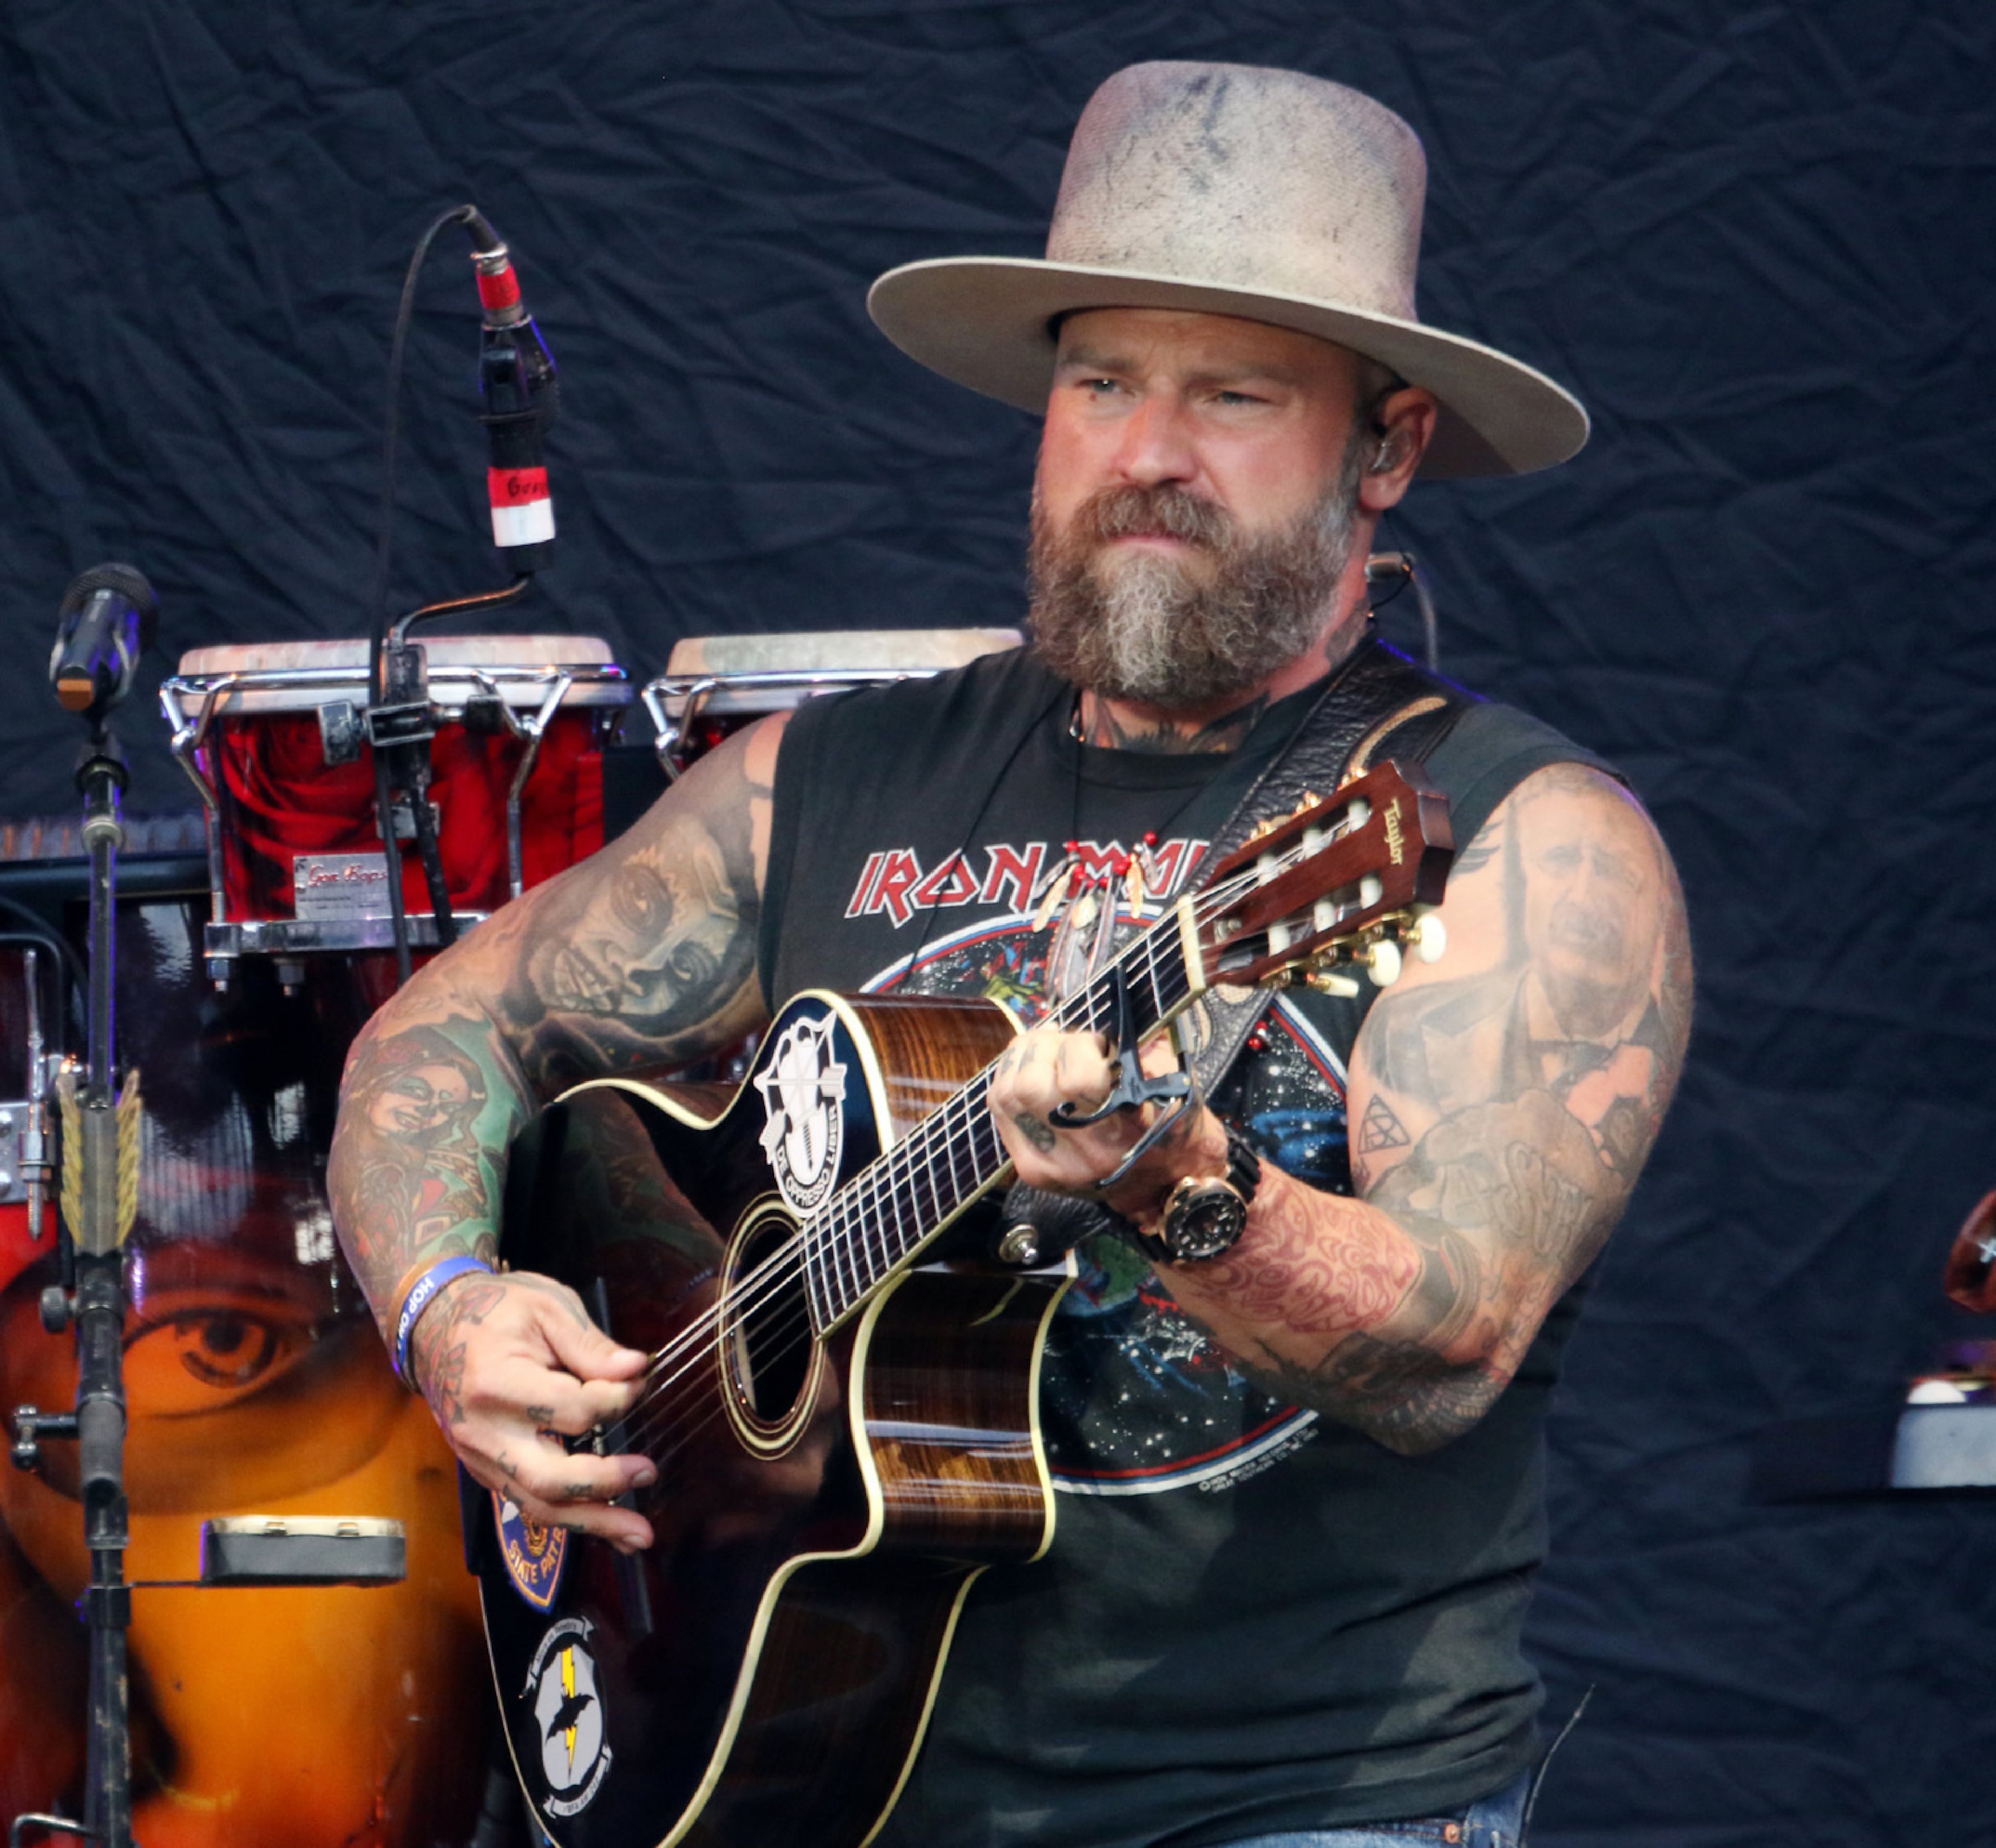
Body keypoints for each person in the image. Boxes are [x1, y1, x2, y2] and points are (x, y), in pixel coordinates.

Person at [329, 59, 1692, 1848]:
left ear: (1389, 443)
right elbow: (432, 1042)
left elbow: (1453, 1339)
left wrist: (1176, 1177)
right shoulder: (823, 779)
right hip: (808, 1773)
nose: (1148, 453)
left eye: (1235, 394)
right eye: (1101, 380)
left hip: (1285, 1802)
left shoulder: (1518, 837)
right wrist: (447, 1308)